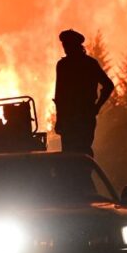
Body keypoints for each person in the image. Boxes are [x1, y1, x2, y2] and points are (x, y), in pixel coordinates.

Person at [54, 29, 115, 157]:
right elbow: (59, 96)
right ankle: (83, 176)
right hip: (82, 118)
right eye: (64, 45)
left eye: (67, 45)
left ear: (76, 45)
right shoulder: (89, 64)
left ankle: (78, 176)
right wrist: (96, 107)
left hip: (74, 119)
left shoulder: (64, 65)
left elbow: (59, 96)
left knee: (72, 155)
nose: (65, 48)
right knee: (81, 153)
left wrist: (60, 119)